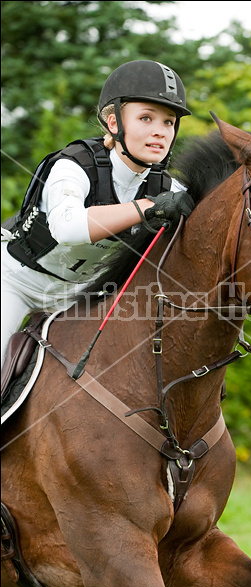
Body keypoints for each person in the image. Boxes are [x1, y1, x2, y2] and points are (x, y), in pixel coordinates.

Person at [1, 60, 194, 368]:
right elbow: (67, 228)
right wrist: (147, 208)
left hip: (77, 297)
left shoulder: (169, 188)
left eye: (169, 122)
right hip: (16, 282)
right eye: (146, 118)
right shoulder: (73, 165)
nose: (160, 132)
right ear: (114, 123)